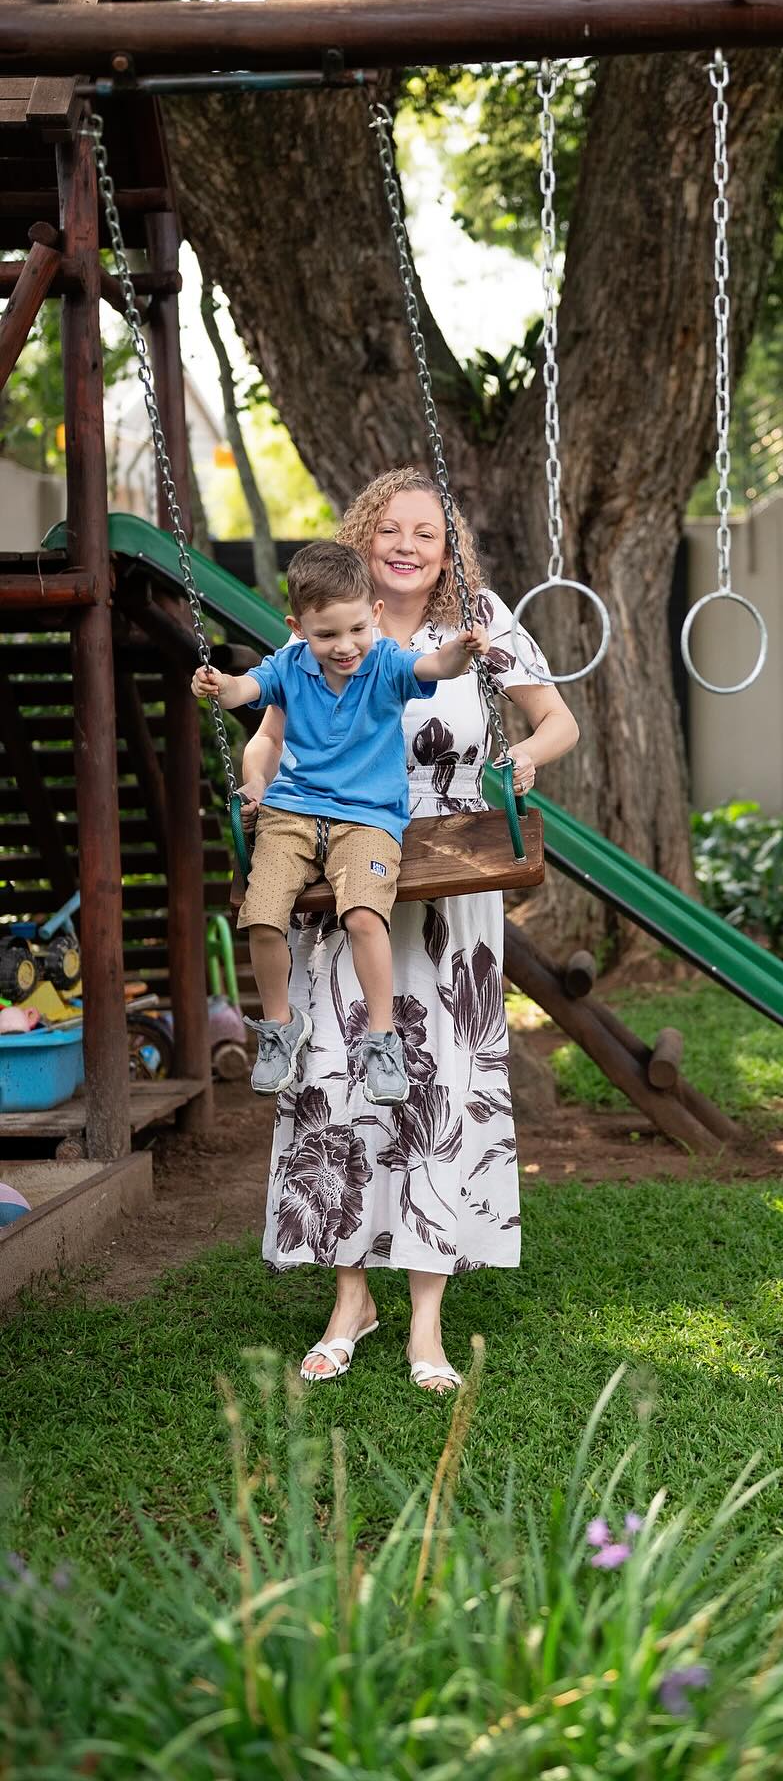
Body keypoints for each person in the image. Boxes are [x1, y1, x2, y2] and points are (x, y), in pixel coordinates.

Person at [238, 469, 579, 1391]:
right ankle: (351, 1296)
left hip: (451, 868)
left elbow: (557, 721)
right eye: (391, 528)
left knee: (438, 1084)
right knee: (335, 1071)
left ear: (448, 546)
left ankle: (427, 1316)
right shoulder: (330, 618)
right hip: (339, 863)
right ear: (364, 534)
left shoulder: (481, 620)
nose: (407, 546)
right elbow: (268, 732)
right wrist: (256, 777)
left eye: (427, 533)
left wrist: (521, 757)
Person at [194, 541, 489, 1106]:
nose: (345, 646)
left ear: (374, 614)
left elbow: (436, 666)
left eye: (356, 629)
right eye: (327, 635)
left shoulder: (387, 663)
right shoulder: (289, 667)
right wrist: (217, 684)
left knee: (362, 916)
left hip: (367, 820)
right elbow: (242, 690)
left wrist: (461, 650)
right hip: (291, 814)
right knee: (262, 915)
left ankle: (382, 1040)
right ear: (298, 628)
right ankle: (280, 1027)